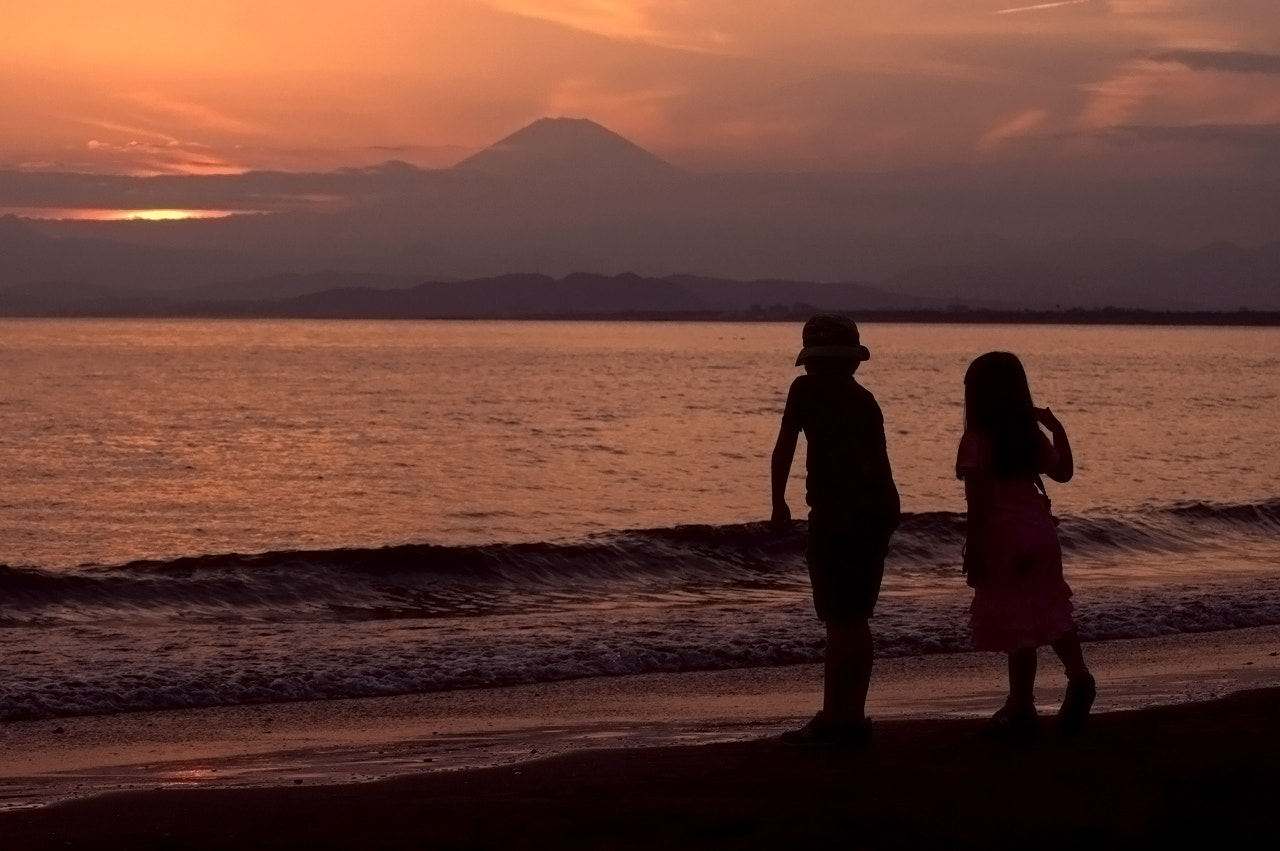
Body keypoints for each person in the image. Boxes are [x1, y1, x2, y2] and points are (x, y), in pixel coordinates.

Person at [771, 314, 900, 746]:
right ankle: (853, 716)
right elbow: (882, 470)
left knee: (839, 620)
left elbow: (785, 445)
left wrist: (777, 502)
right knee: (856, 619)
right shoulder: (865, 400)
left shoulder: (804, 390)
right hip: (875, 513)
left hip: (839, 516)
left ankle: (833, 719)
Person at [957, 351, 1096, 738]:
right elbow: (1064, 474)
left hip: (1007, 540)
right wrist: (1056, 428)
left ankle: (1021, 704)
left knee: (1018, 623)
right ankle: (1078, 675)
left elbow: (978, 504)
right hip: (1042, 536)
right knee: (1047, 608)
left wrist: (975, 550)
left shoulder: (976, 441)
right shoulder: (1028, 436)